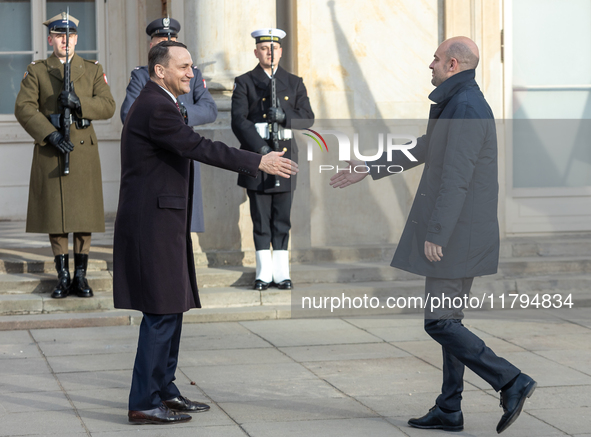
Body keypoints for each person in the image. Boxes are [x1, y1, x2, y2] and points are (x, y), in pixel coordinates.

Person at [330, 36, 536, 434]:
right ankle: (449, 407)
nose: (431, 64)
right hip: (464, 232)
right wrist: (371, 167)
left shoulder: (465, 106)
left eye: (437, 59)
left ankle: (511, 380)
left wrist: (437, 234)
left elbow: (456, 179)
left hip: (458, 235)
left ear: (454, 64)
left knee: (439, 322)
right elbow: (427, 147)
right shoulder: (457, 102)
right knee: (450, 320)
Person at [113, 41, 297, 425]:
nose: (191, 73)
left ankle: (165, 390)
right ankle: (143, 401)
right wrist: (256, 160)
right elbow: (198, 146)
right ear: (160, 71)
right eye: (183, 67)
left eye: (191, 66)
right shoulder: (155, 106)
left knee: (172, 309)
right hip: (153, 225)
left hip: (165, 222)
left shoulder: (161, 102)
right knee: (161, 313)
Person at [14, 13, 116, 299]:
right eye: (59, 36)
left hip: (82, 149)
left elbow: (108, 105)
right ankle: (62, 275)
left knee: (84, 215)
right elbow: (24, 108)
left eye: (70, 36)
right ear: (51, 39)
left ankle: (81, 277)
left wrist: (80, 103)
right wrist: (50, 134)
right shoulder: (37, 70)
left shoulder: (93, 69)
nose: (65, 41)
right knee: (56, 216)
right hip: (52, 147)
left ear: (76, 38)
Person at [231, 28, 314, 291]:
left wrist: (284, 116)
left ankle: (281, 273)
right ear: (256, 52)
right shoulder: (244, 81)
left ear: (281, 51)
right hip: (258, 156)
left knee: (282, 219)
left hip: (286, 157)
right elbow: (238, 121)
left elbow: (307, 118)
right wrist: (261, 149)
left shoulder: (294, 81)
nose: (270, 52)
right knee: (260, 218)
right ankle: (263, 273)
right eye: (264, 48)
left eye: (274, 48)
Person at [120, 17, 216, 233]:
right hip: (159, 157)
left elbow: (209, 109)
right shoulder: (142, 75)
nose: (168, 41)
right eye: (162, 39)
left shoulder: (193, 74)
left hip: (187, 148)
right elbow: (128, 113)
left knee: (185, 221)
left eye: (172, 39)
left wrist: (182, 113)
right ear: (152, 44)